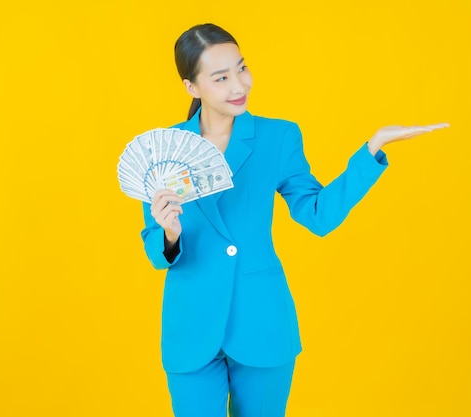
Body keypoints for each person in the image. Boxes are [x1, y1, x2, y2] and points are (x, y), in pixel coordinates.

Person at [139, 23, 448, 417]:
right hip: (192, 324)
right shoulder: (163, 147)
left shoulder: (279, 137)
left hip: (261, 321)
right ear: (192, 87)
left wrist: (372, 149)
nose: (239, 85)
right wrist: (169, 234)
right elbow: (155, 249)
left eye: (242, 68)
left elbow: (317, 215)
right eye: (221, 77)